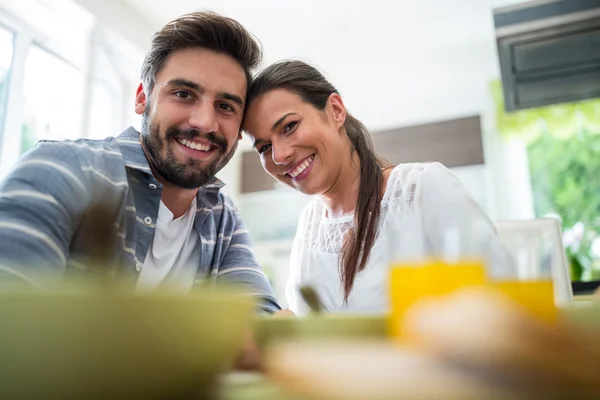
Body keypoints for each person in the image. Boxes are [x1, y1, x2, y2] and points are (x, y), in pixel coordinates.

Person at [0, 12, 279, 314]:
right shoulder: (61, 170)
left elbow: (259, 324)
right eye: (183, 94)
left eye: (225, 106)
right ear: (142, 98)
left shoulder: (222, 218)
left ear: (239, 131)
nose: (204, 122)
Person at [243, 60, 513, 316]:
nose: (279, 155)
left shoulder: (421, 190)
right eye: (264, 148)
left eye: (289, 127)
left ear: (336, 111)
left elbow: (503, 308)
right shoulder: (309, 227)